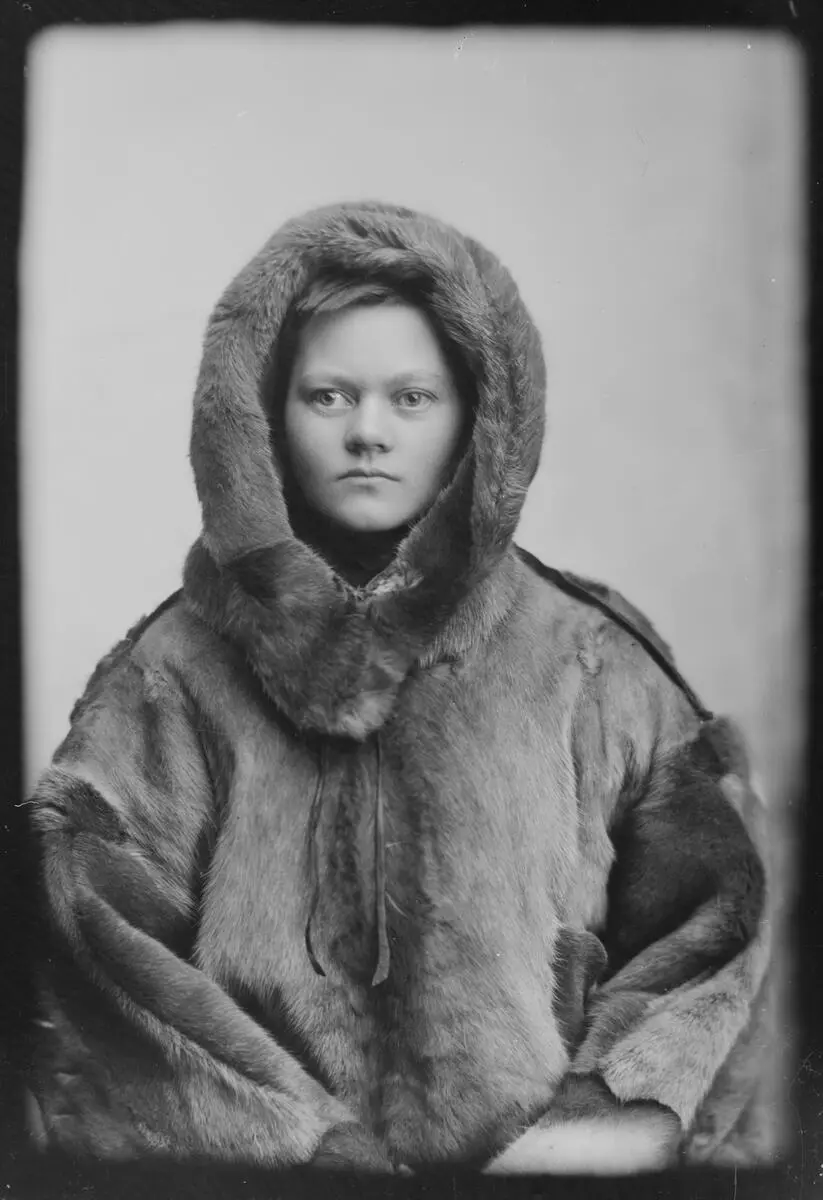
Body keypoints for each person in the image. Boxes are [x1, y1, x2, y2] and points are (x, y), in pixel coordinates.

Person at [24, 200, 773, 1174]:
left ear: (477, 418)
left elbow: (720, 922)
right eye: (329, 397)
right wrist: (301, 1147)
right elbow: (89, 939)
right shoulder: (171, 674)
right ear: (263, 415)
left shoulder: (589, 658)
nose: (368, 432)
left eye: (411, 398)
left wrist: (595, 1126)